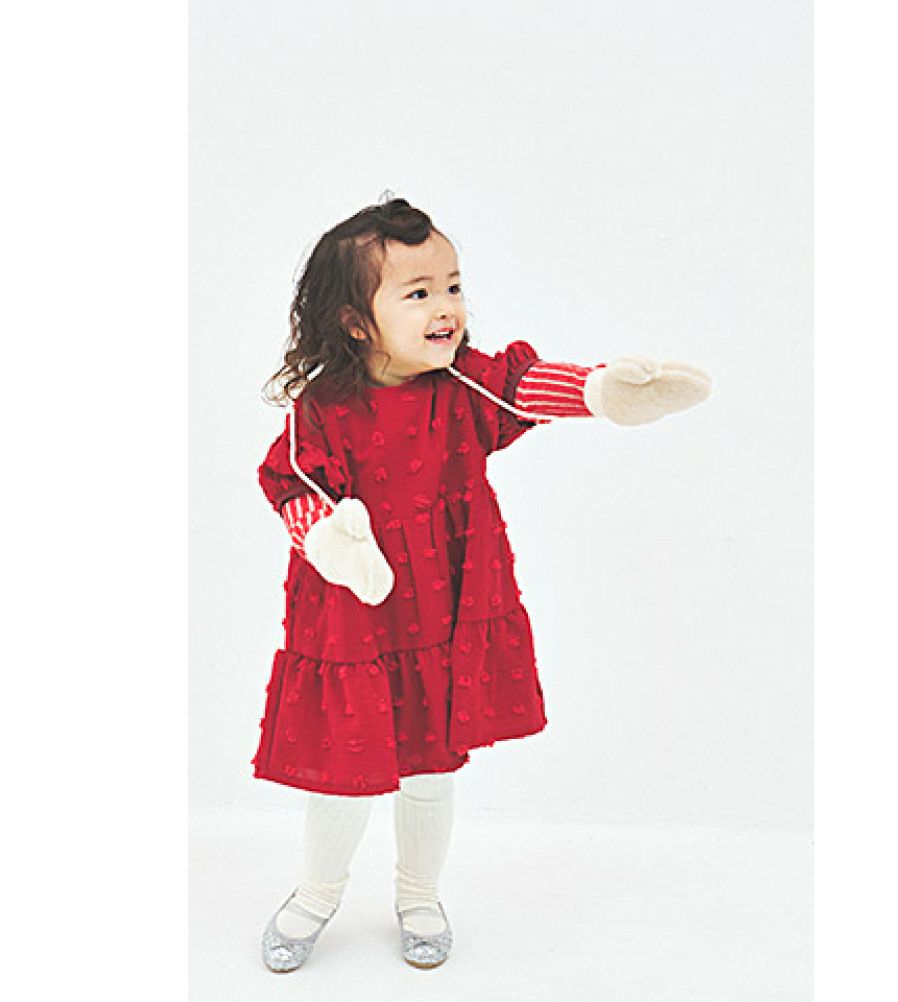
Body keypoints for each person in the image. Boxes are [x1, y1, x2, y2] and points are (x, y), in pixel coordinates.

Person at [252, 195, 712, 973]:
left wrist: (602, 393)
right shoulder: (323, 409)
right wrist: (329, 543)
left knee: (431, 769)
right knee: (343, 779)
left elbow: (524, 388)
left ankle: (419, 894)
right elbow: (292, 482)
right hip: (357, 614)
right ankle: (317, 894)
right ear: (355, 322)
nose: (447, 308)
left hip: (442, 607)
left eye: (454, 286)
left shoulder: (465, 384)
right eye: (418, 292)